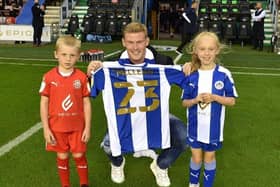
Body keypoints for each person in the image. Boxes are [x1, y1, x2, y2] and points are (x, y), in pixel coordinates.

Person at [89, 22, 188, 187]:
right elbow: (88, 91)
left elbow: (188, 80)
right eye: (130, 42)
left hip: (153, 115)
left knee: (184, 138)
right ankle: (117, 163)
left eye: (139, 42)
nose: (135, 47)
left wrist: (188, 67)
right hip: (125, 117)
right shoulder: (110, 66)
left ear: (147, 41)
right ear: (123, 42)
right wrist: (90, 73)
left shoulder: (162, 62)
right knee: (108, 146)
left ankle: (160, 165)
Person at [181, 31, 238, 187]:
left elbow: (232, 101)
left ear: (217, 50)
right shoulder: (191, 74)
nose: (206, 53)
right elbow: (184, 102)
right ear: (196, 51)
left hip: (214, 130)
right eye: (202, 49)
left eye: (211, 49)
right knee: (197, 158)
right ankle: (193, 184)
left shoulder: (224, 74)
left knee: (209, 159)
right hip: (194, 127)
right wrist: (195, 100)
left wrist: (215, 97)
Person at [39, 36, 91, 187]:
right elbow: (43, 103)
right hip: (57, 127)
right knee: (62, 156)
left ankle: (84, 183)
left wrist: (87, 127)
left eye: (72, 55)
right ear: (56, 54)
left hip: (77, 128)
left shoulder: (81, 78)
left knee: (79, 155)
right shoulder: (49, 77)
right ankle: (65, 185)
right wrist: (46, 128)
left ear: (78, 56)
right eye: (64, 54)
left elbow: (86, 103)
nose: (68, 59)